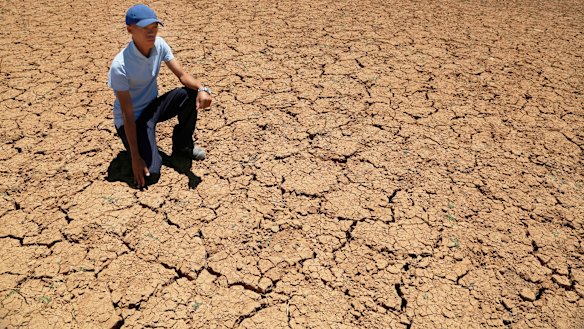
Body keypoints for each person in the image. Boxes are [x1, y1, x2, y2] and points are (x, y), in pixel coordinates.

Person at [108, 4, 212, 188]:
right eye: (145, 29)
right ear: (130, 30)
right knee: (151, 174)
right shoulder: (120, 66)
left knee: (189, 94)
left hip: (152, 108)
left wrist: (203, 88)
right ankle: (138, 151)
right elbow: (127, 114)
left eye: (154, 27)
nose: (151, 33)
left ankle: (183, 146)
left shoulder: (159, 45)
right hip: (131, 120)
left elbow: (182, 76)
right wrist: (135, 157)